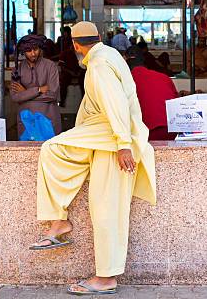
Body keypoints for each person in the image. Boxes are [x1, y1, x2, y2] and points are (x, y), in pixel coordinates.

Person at [29, 21, 156, 295]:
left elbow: (116, 104)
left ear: (75, 45)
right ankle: (59, 221)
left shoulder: (98, 65)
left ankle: (106, 278)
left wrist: (124, 144)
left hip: (114, 138)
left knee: (105, 207)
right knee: (97, 199)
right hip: (104, 136)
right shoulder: (106, 55)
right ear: (98, 38)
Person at [10, 35, 62, 138]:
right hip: (26, 122)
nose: (33, 53)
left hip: (48, 119)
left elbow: (53, 95)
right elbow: (15, 97)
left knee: (49, 151)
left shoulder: (50, 66)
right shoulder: (17, 69)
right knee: (26, 152)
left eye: (36, 49)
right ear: (23, 52)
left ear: (40, 49)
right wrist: (38, 90)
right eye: (29, 50)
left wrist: (25, 93)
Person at [125, 46, 178, 141]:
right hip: (172, 132)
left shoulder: (125, 82)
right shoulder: (164, 77)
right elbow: (176, 104)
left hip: (145, 134)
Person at [58, 40, 85, 108]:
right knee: (63, 82)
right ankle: (62, 101)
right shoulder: (64, 54)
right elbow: (62, 67)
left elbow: (84, 65)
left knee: (84, 81)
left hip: (78, 72)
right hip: (68, 73)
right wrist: (71, 72)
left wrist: (79, 72)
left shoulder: (80, 53)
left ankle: (85, 101)